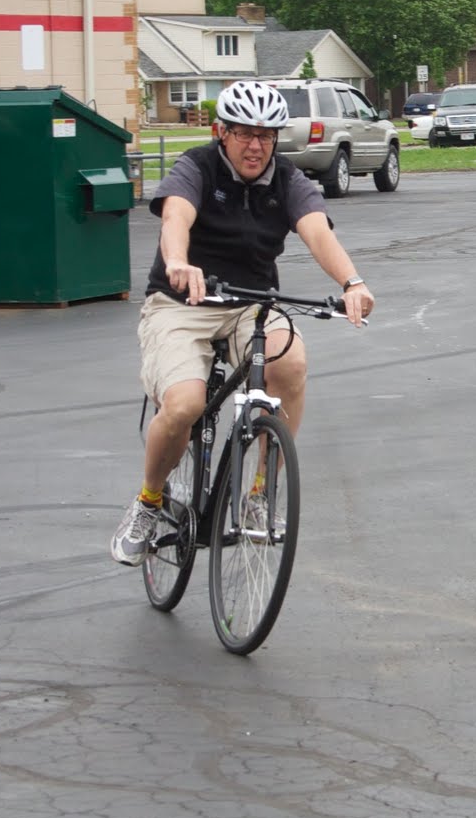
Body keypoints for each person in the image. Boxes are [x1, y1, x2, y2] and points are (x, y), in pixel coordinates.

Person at [111, 80, 375, 566]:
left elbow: (317, 231)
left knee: (289, 362)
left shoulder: (287, 179)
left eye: (267, 136)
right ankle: (148, 502)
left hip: (250, 302)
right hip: (182, 303)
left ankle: (258, 494)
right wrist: (177, 262)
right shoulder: (196, 166)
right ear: (221, 132)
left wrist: (352, 282)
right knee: (186, 404)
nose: (256, 146)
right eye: (244, 134)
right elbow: (175, 220)